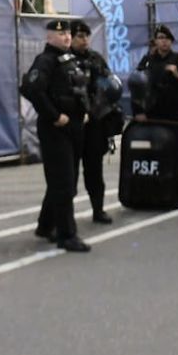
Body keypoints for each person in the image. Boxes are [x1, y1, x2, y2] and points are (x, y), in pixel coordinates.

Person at [21, 19, 91, 252]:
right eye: (61, 34)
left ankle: (45, 225)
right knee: (63, 182)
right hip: (56, 128)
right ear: (49, 37)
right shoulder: (45, 61)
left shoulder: (69, 59)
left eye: (68, 33)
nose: (67, 37)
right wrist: (53, 115)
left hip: (73, 125)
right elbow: (32, 89)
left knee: (65, 181)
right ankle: (66, 235)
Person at [70, 19, 114, 224]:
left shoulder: (95, 59)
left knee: (94, 169)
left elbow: (109, 84)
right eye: (80, 36)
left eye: (86, 36)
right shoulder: (65, 60)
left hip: (94, 122)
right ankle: (63, 217)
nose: (84, 40)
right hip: (72, 123)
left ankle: (98, 209)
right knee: (68, 172)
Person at [134, 25, 178, 124]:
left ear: (171, 41)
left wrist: (177, 75)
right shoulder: (148, 60)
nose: (164, 41)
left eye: (167, 38)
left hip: (175, 112)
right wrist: (138, 111)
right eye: (161, 38)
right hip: (152, 112)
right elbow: (137, 86)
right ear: (156, 41)